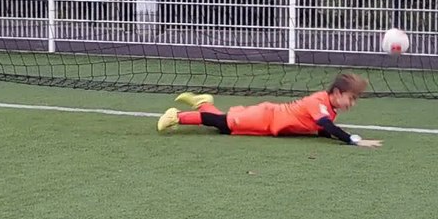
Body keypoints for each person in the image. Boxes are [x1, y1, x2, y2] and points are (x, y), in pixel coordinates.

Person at [156, 73, 383, 147]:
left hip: (269, 123)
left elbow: (322, 129)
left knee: (225, 124)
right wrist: (353, 140)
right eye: (350, 98)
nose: (352, 103)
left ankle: (203, 102)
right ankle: (177, 116)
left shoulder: (329, 108)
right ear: (336, 93)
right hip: (267, 117)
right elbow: (325, 126)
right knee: (223, 124)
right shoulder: (319, 102)